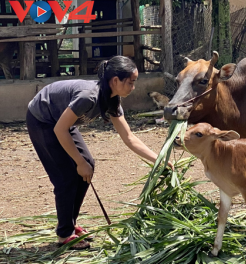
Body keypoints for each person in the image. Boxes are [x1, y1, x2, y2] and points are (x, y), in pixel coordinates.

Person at [26, 56, 172, 250]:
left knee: (89, 165)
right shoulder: (88, 97)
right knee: (67, 177)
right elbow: (60, 130)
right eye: (131, 82)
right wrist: (78, 162)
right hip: (43, 119)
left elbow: (129, 137)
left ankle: (71, 222)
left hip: (62, 122)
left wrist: (158, 160)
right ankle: (64, 234)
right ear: (115, 81)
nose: (133, 87)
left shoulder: (112, 100)